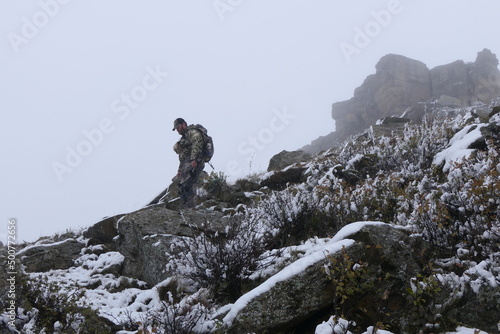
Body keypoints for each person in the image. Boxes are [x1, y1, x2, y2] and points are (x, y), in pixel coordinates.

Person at [172, 118, 205, 208]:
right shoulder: (185, 138)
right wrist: (179, 170)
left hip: (195, 161)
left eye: (178, 127)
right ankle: (185, 207)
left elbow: (197, 143)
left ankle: (191, 207)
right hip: (188, 163)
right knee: (182, 185)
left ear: (184, 124)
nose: (178, 130)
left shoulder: (192, 132)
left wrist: (194, 159)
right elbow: (183, 158)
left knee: (188, 183)